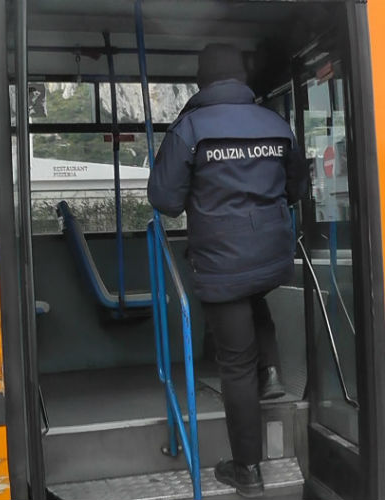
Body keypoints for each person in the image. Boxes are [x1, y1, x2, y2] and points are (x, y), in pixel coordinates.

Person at [147, 43, 307, 498]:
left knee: (235, 364)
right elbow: (297, 187)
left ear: (203, 82)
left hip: (220, 261)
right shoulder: (277, 124)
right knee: (253, 291)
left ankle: (248, 470)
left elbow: (164, 199)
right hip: (271, 254)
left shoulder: (191, 128)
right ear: (241, 80)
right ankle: (272, 372)